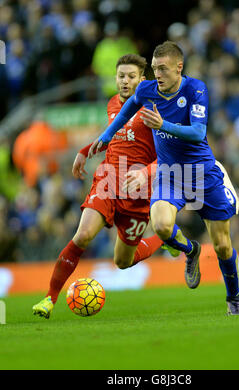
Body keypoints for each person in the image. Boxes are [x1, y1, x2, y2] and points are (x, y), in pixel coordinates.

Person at [88, 41, 239, 315]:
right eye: (155, 68)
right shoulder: (147, 89)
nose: (157, 74)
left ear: (178, 67)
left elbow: (197, 132)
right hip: (170, 174)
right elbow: (128, 108)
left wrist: (163, 125)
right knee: (160, 226)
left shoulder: (196, 89)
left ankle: (234, 299)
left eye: (163, 69)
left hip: (201, 173)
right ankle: (190, 250)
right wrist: (107, 135)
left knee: (222, 245)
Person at [33, 53, 178, 319]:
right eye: (121, 76)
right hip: (108, 180)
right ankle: (49, 299)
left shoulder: (156, 110)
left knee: (122, 261)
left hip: (138, 191)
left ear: (142, 79)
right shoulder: (113, 104)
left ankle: (166, 238)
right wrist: (86, 150)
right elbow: (114, 139)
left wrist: (146, 173)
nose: (125, 81)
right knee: (84, 235)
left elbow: (170, 155)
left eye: (131, 76)